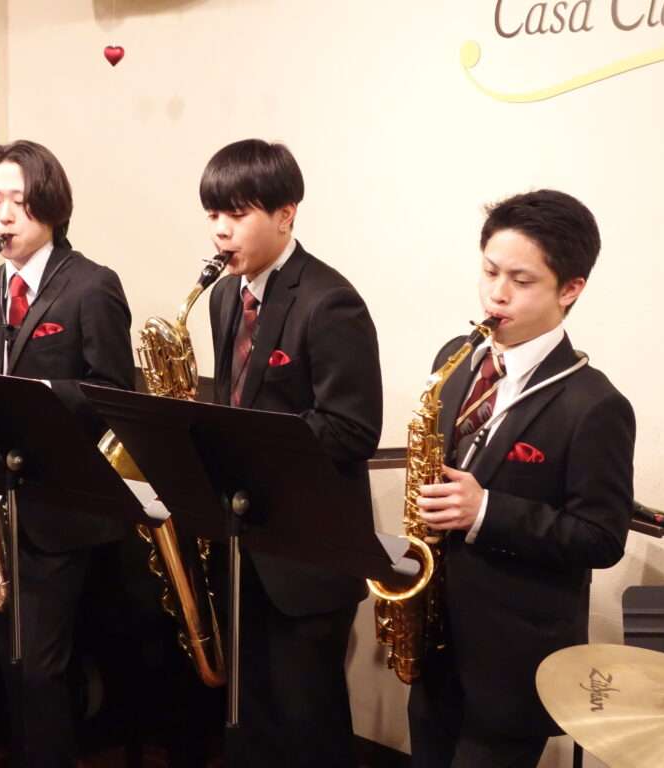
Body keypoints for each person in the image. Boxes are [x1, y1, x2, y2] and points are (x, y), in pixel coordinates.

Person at [409, 189, 635, 768]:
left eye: (521, 280)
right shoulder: (455, 357)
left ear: (570, 289)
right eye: (489, 272)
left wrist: (486, 511)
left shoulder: (595, 404)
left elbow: (601, 538)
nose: (497, 294)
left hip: (512, 662)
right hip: (435, 639)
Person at [203, 138, 383, 768]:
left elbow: (353, 429)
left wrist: (249, 441)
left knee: (310, 728)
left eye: (237, 214)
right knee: (253, 718)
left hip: (309, 555)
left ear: (286, 214)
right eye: (213, 215)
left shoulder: (330, 301)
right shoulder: (225, 296)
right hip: (245, 544)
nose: (221, 231)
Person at [0, 139, 134, 767]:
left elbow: (115, 395)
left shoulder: (91, 285)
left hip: (63, 507)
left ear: (52, 206)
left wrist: (36, 396)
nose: (4, 215)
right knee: (10, 668)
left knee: (40, 669)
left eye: (20, 201)